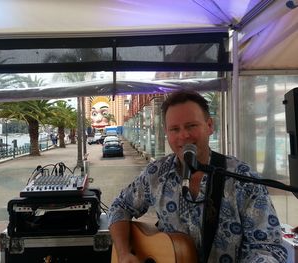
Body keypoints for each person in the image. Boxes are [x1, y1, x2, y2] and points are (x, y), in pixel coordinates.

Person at [108, 90, 287, 263]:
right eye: (174, 129)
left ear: (209, 126)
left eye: (191, 126)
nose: (184, 135)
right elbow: (119, 206)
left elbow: (268, 247)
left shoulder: (242, 178)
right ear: (166, 133)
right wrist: (124, 253)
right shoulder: (155, 174)